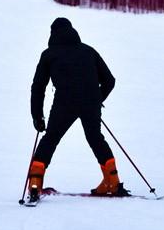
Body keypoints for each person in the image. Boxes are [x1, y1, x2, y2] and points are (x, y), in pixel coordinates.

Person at [27, 17, 124, 200]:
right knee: (96, 138)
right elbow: (109, 81)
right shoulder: (88, 51)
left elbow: (38, 87)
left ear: (52, 34)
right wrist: (96, 99)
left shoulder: (49, 54)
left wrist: (37, 116)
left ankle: (35, 183)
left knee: (50, 139)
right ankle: (112, 181)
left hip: (64, 103)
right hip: (90, 102)